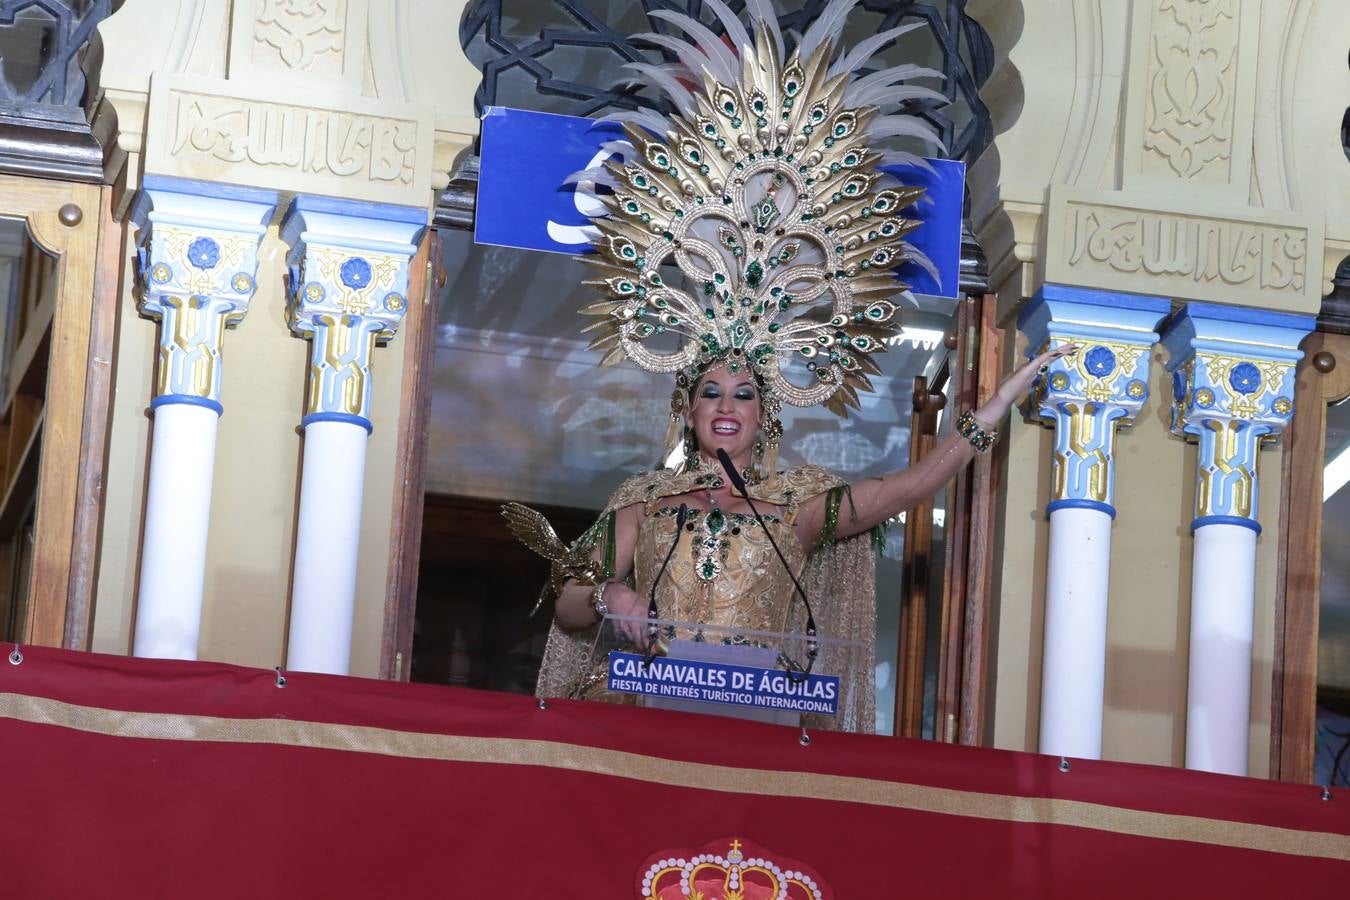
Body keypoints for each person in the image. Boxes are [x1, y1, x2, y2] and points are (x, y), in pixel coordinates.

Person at [511, 0, 1075, 730]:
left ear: (766, 413)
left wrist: (995, 407)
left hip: (757, 723)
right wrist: (608, 596)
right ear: (686, 406)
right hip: (644, 712)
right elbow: (568, 602)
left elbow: (917, 483)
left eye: (744, 394)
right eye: (711, 390)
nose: (726, 404)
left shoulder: (800, 509)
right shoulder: (644, 502)